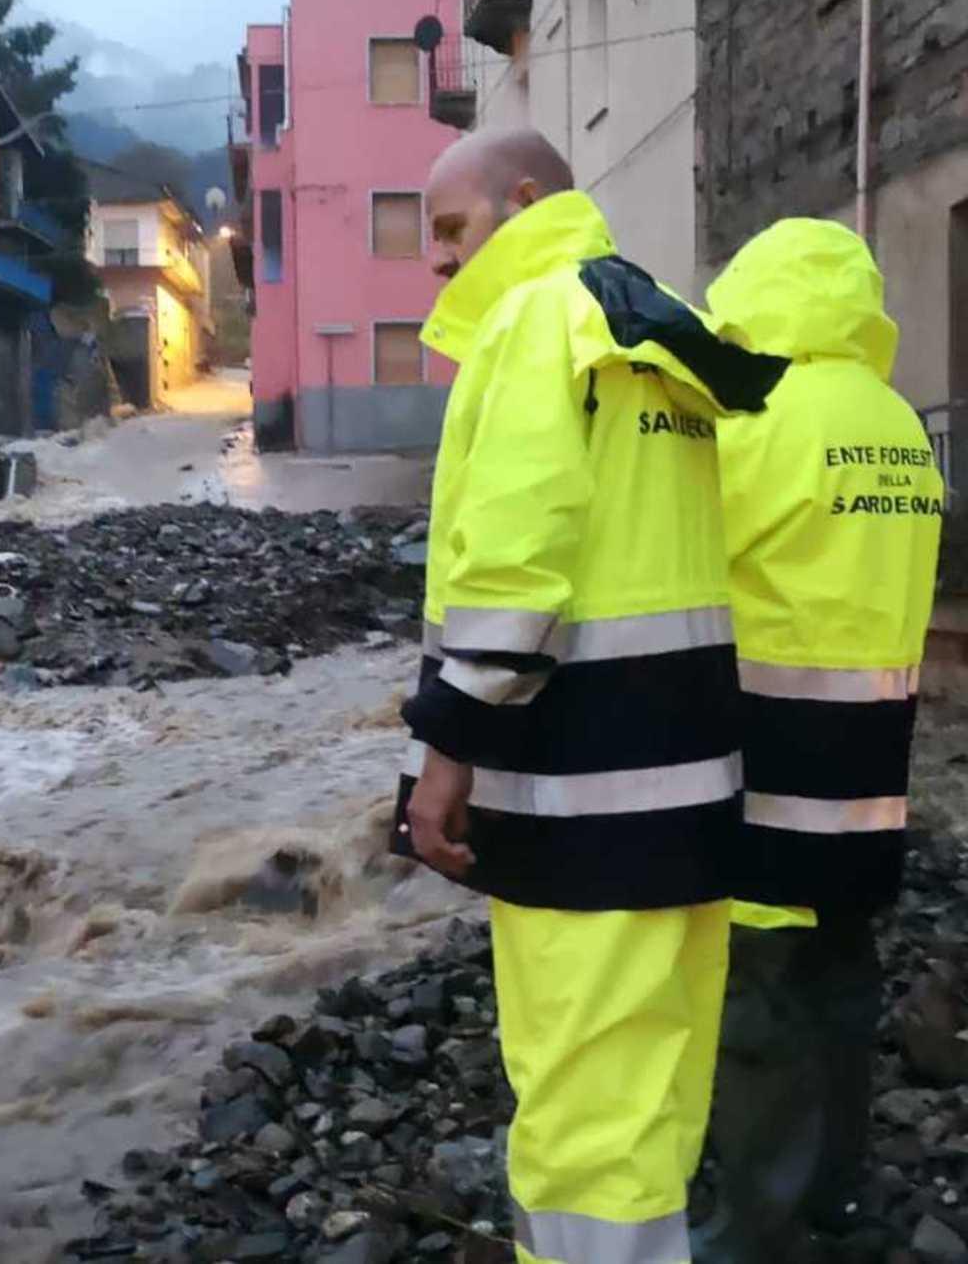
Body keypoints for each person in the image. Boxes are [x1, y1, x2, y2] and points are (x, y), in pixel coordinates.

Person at [394, 128, 781, 1264]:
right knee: (651, 1101)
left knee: (574, 1116)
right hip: (689, 793)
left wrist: (444, 757)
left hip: (575, 797)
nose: (436, 261)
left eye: (452, 229)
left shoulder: (533, 320)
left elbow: (514, 568)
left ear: (524, 202)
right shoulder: (658, 323)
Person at [689, 220, 944, 1263]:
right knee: (843, 975)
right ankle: (836, 1190)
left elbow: (687, 564)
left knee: (760, 1011)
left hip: (770, 764)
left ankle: (758, 1230)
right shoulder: (896, 421)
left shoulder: (756, 417)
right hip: (872, 765)